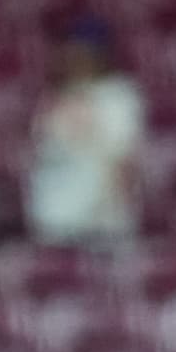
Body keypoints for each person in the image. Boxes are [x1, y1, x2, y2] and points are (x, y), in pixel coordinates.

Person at [24, 17, 146, 247]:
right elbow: (43, 150)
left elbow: (121, 156)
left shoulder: (119, 96)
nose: (74, 56)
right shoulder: (56, 96)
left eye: (82, 50)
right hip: (55, 216)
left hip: (101, 220)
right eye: (70, 49)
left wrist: (110, 208)